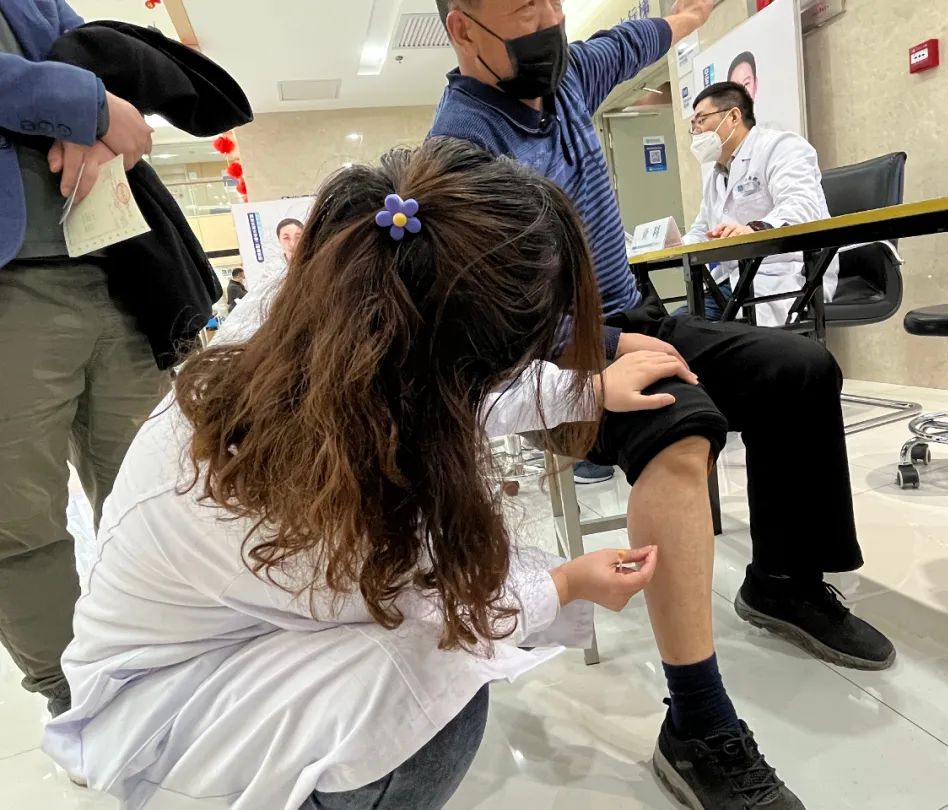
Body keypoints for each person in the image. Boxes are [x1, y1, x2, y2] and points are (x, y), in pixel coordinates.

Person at [42, 138, 700, 810]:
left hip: (219, 625)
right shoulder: (301, 490)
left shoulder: (316, 321)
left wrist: (587, 388)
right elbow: (429, 611)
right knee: (431, 692)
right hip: (169, 709)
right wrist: (565, 584)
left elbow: (437, 393)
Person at [431, 3, 895, 807]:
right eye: (524, 8)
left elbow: (651, 33)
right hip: (554, 358)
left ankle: (783, 580)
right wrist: (608, 350)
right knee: (681, 425)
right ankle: (696, 723)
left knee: (800, 368)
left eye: (552, 1)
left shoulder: (573, 74)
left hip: (635, 317)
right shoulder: (460, 153)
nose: (548, 20)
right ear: (463, 29)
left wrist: (693, 12)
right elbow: (492, 320)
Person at [0, 0, 163, 720]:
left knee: (152, 492)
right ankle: (73, 701)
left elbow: (96, 56)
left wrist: (97, 123)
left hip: (113, 263)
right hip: (9, 284)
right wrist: (88, 106)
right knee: (18, 519)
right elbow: (93, 91)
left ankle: (164, 660)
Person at [681, 81, 838, 327]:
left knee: (687, 335)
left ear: (733, 116)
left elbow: (800, 207)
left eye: (701, 120)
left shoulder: (781, 147)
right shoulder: (717, 175)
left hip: (782, 278)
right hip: (732, 283)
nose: (696, 131)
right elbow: (702, 230)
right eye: (693, 125)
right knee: (672, 329)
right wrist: (671, 245)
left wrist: (754, 228)